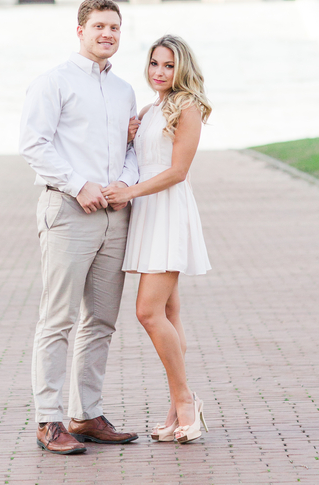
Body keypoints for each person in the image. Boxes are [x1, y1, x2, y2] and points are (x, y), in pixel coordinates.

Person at [19, 0, 140, 455]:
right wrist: (78, 184)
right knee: (58, 319)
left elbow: (130, 150)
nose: (107, 34)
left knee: (102, 320)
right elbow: (34, 144)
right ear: (80, 31)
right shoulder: (53, 82)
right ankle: (48, 420)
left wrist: (124, 184)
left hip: (114, 214)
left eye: (114, 28)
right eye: (99, 27)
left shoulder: (124, 89)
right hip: (69, 212)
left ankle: (85, 413)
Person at [105, 35, 212, 445]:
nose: (160, 72)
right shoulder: (152, 109)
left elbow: (177, 171)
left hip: (167, 210)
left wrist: (129, 193)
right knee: (170, 311)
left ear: (181, 68)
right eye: (154, 63)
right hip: (148, 212)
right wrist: (132, 132)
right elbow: (142, 156)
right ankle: (175, 409)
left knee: (148, 313)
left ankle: (185, 401)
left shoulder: (187, 107)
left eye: (168, 65)